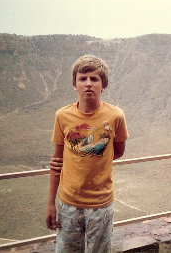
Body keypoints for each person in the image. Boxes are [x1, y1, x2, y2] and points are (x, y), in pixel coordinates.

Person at [45, 55, 129, 252]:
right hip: (68, 204)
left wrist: (89, 156)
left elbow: (117, 152)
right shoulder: (62, 116)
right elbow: (57, 162)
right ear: (75, 85)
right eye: (82, 79)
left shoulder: (116, 116)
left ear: (103, 85)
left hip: (101, 205)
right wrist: (51, 204)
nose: (88, 84)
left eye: (94, 79)